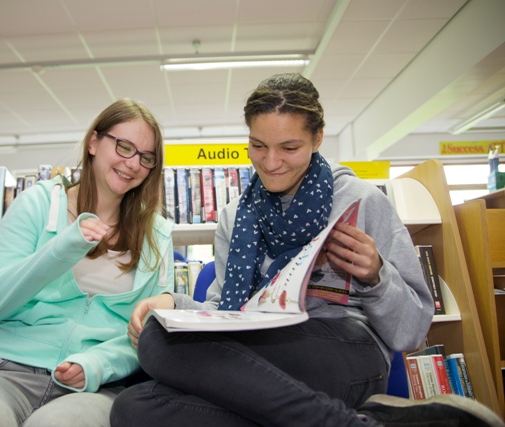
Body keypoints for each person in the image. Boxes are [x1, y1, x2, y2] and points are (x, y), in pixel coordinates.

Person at [109, 74, 505, 427]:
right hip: (258, 351)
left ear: (317, 139)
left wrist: (376, 276)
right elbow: (224, 317)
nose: (271, 162)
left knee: (161, 361)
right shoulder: (235, 216)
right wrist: (173, 304)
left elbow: (411, 332)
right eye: (258, 146)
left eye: (289, 147)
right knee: (134, 404)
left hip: (346, 352)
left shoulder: (363, 202)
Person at [0, 99, 175, 427]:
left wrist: (97, 364)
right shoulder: (38, 203)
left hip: (96, 388)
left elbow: (148, 335)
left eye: (146, 157)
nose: (133, 164)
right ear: (93, 143)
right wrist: (62, 249)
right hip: (4, 373)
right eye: (124, 147)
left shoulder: (156, 234)